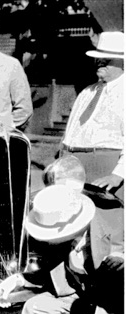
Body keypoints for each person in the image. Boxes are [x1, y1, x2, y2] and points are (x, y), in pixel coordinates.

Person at [0, 184, 124, 314]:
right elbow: (50, 272)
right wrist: (17, 281)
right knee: (35, 309)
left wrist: (123, 257)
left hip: (117, 303)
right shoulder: (62, 239)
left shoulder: (115, 220)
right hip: (87, 299)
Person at [60, 31, 124, 200]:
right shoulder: (88, 92)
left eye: (107, 59)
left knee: (106, 222)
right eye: (98, 58)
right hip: (74, 168)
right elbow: (72, 130)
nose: (100, 62)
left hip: (107, 169)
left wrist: (118, 174)